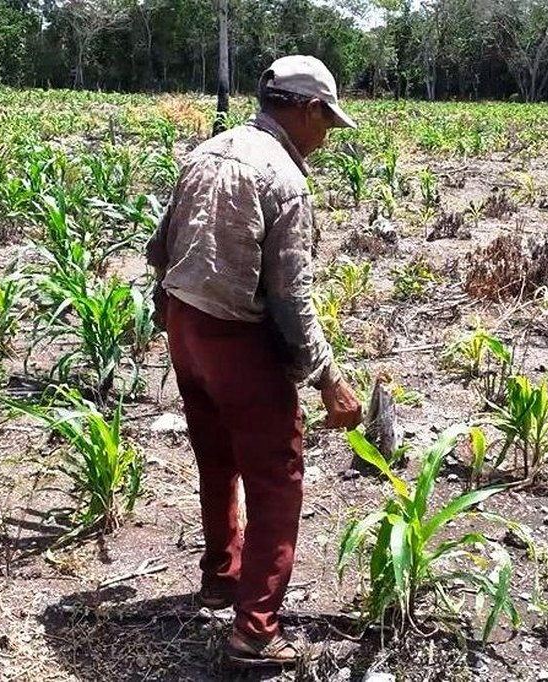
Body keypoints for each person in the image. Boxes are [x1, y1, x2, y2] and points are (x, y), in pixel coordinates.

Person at [145, 54, 363, 668]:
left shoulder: (206, 152)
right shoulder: (285, 182)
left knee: (216, 458)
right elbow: (291, 301)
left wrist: (175, 317)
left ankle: (222, 574)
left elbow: (159, 248)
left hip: (185, 328)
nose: (325, 137)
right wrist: (329, 379)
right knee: (277, 483)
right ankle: (255, 632)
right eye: (326, 122)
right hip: (240, 341)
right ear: (306, 109)